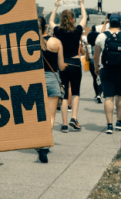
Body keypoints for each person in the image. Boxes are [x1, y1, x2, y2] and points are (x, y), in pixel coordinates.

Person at [49, 0, 87, 133]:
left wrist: (55, 7)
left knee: (64, 94)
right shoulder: (77, 30)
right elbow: (84, 17)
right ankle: (74, 119)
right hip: (75, 63)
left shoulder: (58, 31)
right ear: (72, 19)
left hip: (62, 63)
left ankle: (64, 124)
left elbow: (51, 21)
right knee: (76, 92)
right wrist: (82, 4)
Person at [93, 14, 121, 134]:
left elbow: (96, 55)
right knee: (120, 95)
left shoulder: (101, 36)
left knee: (108, 97)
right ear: (120, 23)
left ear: (109, 22)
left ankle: (109, 125)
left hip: (106, 69)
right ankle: (119, 122)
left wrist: (96, 68)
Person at [38, 16, 66, 162]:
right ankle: (44, 145)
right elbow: (61, 66)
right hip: (51, 78)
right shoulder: (56, 42)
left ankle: (38, 140)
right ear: (45, 27)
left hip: (34, 80)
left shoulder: (28, 42)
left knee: (37, 115)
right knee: (50, 115)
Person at [86, 26, 102, 103]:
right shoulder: (99, 46)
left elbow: (86, 58)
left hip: (91, 63)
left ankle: (96, 94)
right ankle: (99, 93)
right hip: (99, 62)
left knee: (94, 79)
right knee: (100, 79)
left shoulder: (88, 46)